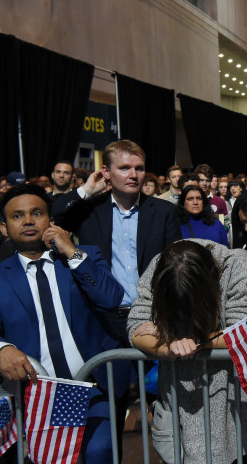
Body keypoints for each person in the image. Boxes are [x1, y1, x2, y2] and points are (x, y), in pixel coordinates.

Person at [0, 185, 131, 464]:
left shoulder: (84, 256)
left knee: (99, 452)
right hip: (39, 396)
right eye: (17, 216)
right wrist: (1, 349)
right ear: (4, 227)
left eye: (36, 213)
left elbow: (112, 298)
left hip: (93, 387)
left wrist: (72, 252)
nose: (28, 221)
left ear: (51, 220)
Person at [128, 239, 247, 464]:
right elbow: (136, 327)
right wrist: (169, 349)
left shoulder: (235, 264)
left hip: (225, 395)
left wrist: (191, 341)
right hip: (177, 392)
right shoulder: (162, 264)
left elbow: (244, 330)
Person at [52, 140, 182, 341]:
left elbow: (175, 266)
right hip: (102, 320)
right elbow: (57, 214)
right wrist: (86, 190)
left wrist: (166, 316)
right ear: (105, 172)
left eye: (139, 169)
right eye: (124, 168)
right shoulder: (89, 211)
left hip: (152, 319)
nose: (133, 175)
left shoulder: (164, 212)